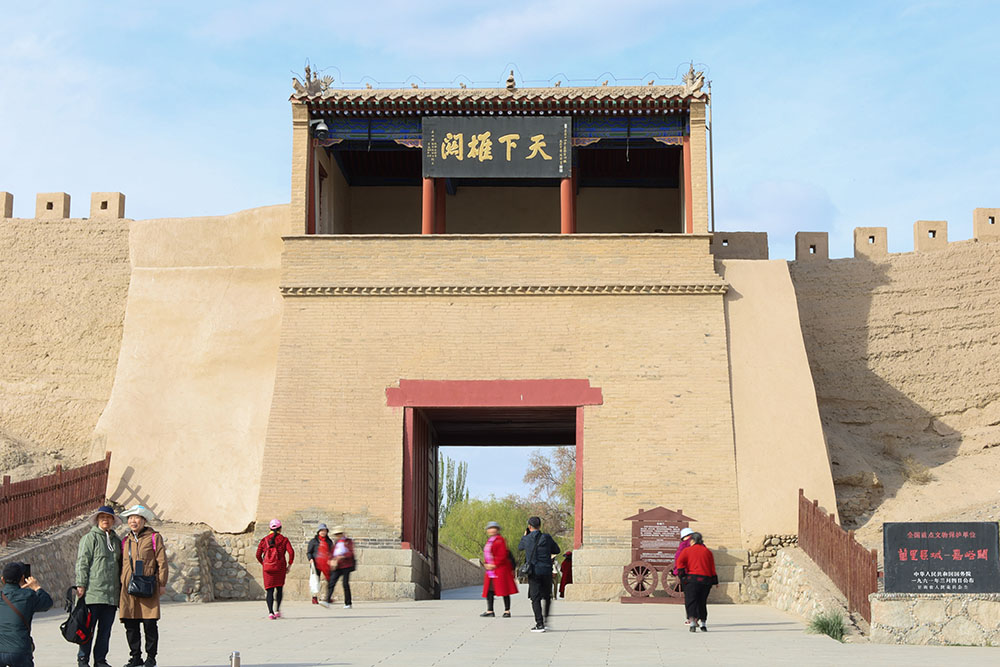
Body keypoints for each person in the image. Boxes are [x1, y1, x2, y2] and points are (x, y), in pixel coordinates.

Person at [118, 505, 168, 667]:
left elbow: (162, 561)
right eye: (130, 518)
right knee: (130, 624)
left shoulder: (154, 537)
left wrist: (162, 583)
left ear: (144, 520)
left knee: (149, 624)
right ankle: (135, 657)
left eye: (136, 518)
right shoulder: (125, 540)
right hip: (128, 589)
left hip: (148, 586)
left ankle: (151, 657)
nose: (133, 521)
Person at [74, 505, 123, 667]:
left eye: (108, 518)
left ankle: (100, 660)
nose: (105, 520)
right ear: (97, 520)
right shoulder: (90, 538)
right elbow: (82, 562)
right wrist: (81, 584)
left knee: (105, 631)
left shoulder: (116, 541)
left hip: (111, 595)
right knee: (87, 629)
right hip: (92, 593)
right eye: (102, 517)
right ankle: (83, 659)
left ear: (113, 521)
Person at [0, 562, 53, 667]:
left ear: (2, 579)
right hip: (20, 650)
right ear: (22, 578)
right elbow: (47, 603)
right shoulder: (28, 596)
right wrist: (37, 587)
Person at [517, 516, 560, 633]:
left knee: (535, 598)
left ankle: (539, 624)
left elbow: (520, 547)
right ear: (540, 526)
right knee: (547, 596)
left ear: (529, 527)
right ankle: (546, 621)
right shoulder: (547, 537)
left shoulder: (526, 539)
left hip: (534, 572)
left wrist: (525, 536)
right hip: (546, 571)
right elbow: (557, 550)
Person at [674, 531, 717, 632]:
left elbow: (679, 562)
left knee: (691, 601)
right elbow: (712, 567)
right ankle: (703, 623)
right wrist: (715, 581)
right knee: (702, 602)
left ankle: (692, 622)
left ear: (692, 541)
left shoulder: (687, 550)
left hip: (692, 579)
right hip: (706, 580)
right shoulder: (708, 552)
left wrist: (681, 574)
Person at [256, 519, 294, 619]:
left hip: (268, 569)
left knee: (269, 590)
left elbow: (258, 554)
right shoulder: (284, 540)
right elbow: (291, 552)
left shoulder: (264, 540)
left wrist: (263, 564)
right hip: (280, 568)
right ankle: (277, 610)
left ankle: (270, 613)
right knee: (279, 589)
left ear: (270, 528)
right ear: (280, 528)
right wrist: (289, 565)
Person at [480, 521, 517, 618]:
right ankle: (490, 610)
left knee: (504, 590)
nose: (491, 530)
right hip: (490, 570)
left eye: (493, 528)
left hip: (500, 569)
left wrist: (493, 564)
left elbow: (502, 555)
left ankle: (507, 610)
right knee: (489, 590)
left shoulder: (500, 540)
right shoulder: (490, 541)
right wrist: (486, 564)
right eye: (490, 528)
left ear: (497, 530)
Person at [323, 526, 354, 609]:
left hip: (346, 565)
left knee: (345, 584)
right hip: (337, 566)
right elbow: (332, 553)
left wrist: (342, 556)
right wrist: (330, 560)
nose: (337, 536)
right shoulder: (336, 543)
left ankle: (348, 603)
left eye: (338, 534)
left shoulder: (348, 542)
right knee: (331, 582)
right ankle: (327, 600)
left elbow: (350, 553)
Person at [672, 527, 695, 625]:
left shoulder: (684, 545)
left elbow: (678, 559)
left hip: (686, 574)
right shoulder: (701, 545)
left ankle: (691, 618)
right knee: (698, 598)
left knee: (689, 597)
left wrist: (677, 571)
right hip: (699, 574)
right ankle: (698, 618)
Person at [306, 523, 333, 605]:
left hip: (326, 564)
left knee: (329, 580)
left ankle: (328, 597)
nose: (323, 532)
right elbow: (309, 552)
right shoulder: (313, 541)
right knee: (315, 580)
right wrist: (310, 559)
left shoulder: (329, 542)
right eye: (321, 531)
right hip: (316, 564)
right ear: (318, 532)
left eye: (324, 531)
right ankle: (314, 597)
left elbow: (332, 552)